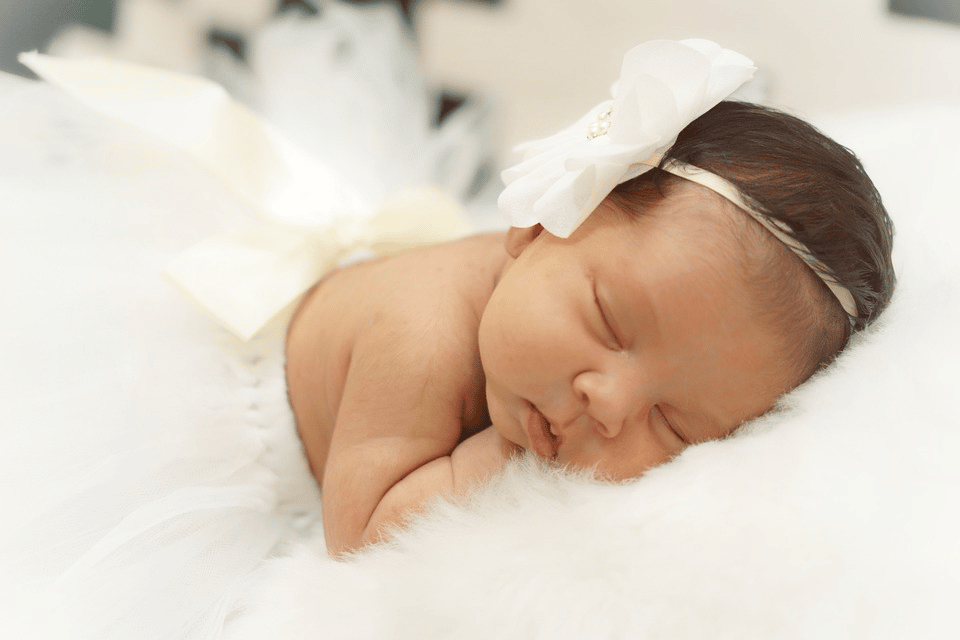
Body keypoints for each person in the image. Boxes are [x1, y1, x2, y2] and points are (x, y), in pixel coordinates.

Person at [285, 40, 895, 556]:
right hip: (257, 415)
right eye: (609, 324)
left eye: (673, 424)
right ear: (540, 222)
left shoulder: (550, 310)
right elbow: (360, 537)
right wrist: (507, 459)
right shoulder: (419, 334)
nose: (610, 405)